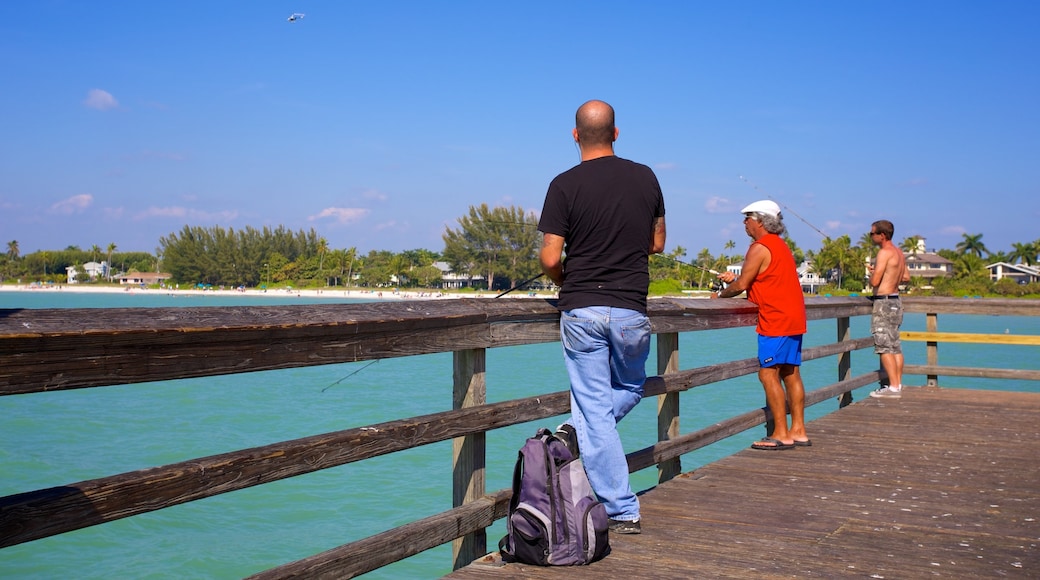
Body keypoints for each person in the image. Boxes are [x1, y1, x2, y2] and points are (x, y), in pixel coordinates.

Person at [538, 99, 666, 535]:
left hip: (581, 310)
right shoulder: (646, 176)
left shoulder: (562, 184)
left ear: (575, 136)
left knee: (593, 411)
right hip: (631, 308)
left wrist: (567, 274)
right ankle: (586, 436)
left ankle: (620, 505)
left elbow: (550, 256)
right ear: (616, 132)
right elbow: (658, 242)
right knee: (631, 386)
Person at [711, 200, 809, 450]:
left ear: (760, 221)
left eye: (747, 218)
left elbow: (742, 285)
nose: (744, 223)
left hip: (774, 319)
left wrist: (720, 297)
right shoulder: (780, 246)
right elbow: (761, 279)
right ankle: (798, 430)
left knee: (767, 374)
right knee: (791, 372)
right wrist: (737, 280)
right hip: (793, 316)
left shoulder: (760, 246)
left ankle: (780, 433)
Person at [867, 219, 912, 398]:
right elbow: (906, 277)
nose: (870, 236)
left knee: (884, 346)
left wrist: (872, 274)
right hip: (895, 301)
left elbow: (875, 282)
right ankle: (897, 384)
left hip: (883, 303)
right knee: (895, 345)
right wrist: (888, 275)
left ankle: (893, 388)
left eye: (872, 233)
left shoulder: (884, 253)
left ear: (882, 235)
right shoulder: (899, 252)